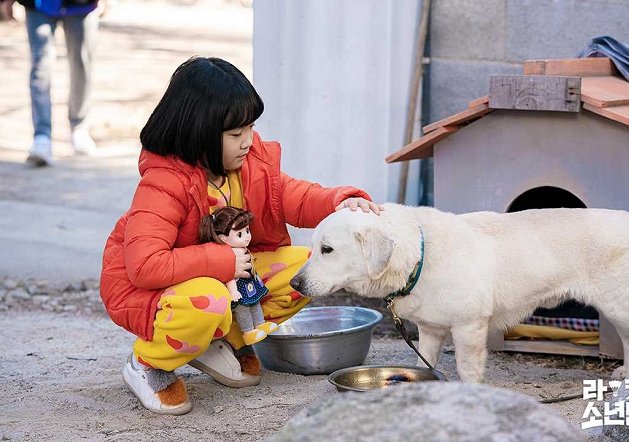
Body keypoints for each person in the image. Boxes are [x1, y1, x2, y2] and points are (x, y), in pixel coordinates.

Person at [99, 56, 383, 415]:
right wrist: (223, 262)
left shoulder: (246, 164)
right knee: (211, 299)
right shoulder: (164, 183)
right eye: (236, 134)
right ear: (198, 132)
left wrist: (339, 201)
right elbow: (144, 265)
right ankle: (148, 363)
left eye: (249, 128)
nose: (248, 140)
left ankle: (222, 343)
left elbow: (292, 195)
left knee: (309, 268)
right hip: (152, 290)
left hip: (222, 278)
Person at [0, 0, 102, 167]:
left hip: (82, 5)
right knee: (40, 67)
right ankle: (42, 137)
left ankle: (79, 128)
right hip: (39, 5)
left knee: (82, 64)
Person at [198, 206, 279, 345]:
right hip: (239, 287)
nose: (247, 236)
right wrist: (233, 291)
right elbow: (229, 272)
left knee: (255, 303)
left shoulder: (241, 248)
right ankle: (248, 332)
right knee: (243, 309)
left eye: (247, 231)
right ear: (223, 238)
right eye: (240, 234)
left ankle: (260, 324)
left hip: (250, 283)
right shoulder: (227, 254)